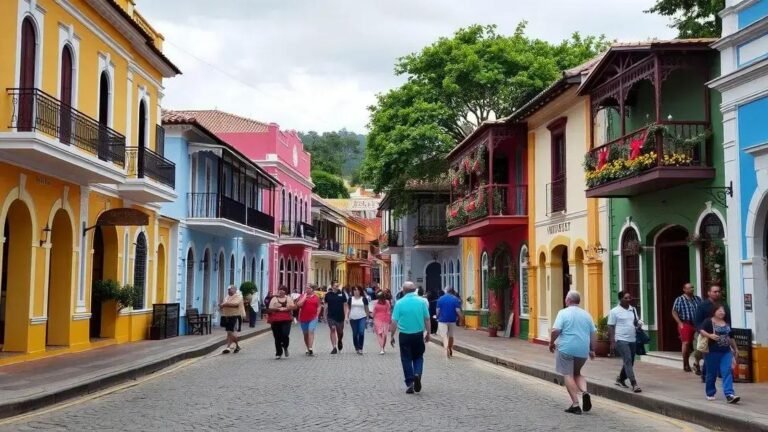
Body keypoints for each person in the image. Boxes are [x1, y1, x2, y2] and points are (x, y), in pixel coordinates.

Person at [549, 291, 597, 415]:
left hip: (566, 348)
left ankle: (576, 404)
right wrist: (592, 349)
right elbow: (593, 334)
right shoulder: (587, 315)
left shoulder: (563, 313)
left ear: (568, 300)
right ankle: (585, 392)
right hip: (582, 350)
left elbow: (556, 330)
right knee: (577, 373)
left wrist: (551, 342)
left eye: (566, 298)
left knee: (568, 374)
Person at [390, 281, 431, 394]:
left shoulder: (399, 303)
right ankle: (417, 373)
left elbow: (394, 321)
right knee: (418, 356)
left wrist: (392, 335)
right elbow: (427, 319)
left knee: (406, 358)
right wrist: (428, 333)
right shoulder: (422, 302)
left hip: (404, 335)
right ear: (415, 290)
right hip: (418, 334)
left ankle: (410, 383)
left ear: (403, 290)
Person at [700, 304, 741, 403]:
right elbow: (701, 330)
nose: (722, 312)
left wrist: (735, 348)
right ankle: (710, 392)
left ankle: (729, 394)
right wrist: (710, 335)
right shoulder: (708, 321)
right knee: (711, 373)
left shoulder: (726, 323)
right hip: (711, 352)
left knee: (727, 371)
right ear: (714, 311)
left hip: (726, 352)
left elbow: (731, 337)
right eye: (719, 310)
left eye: (723, 310)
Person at [694, 285, 731, 383]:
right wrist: (704, 334)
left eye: (718, 291)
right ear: (709, 293)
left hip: (722, 334)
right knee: (709, 356)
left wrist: (729, 332)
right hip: (707, 335)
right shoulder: (703, 306)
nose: (717, 293)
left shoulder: (723, 305)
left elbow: (728, 319)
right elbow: (698, 323)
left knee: (723, 354)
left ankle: (721, 374)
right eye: (715, 291)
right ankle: (706, 375)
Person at [608, 290, 642, 393]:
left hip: (632, 339)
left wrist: (639, 323)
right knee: (627, 360)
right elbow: (611, 326)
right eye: (625, 298)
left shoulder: (633, 310)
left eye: (629, 298)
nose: (628, 300)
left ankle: (620, 379)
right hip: (621, 339)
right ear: (620, 299)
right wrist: (612, 341)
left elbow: (635, 322)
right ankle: (634, 384)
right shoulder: (614, 311)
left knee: (630, 362)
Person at [671, 282, 702, 372]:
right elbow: (674, 312)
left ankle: (696, 363)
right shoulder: (680, 299)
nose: (691, 289)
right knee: (686, 343)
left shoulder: (697, 299)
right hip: (685, 323)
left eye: (692, 287)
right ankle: (686, 363)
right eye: (689, 288)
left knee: (699, 344)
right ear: (684, 289)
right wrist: (680, 323)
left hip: (696, 324)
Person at [268, 286, 295, 359]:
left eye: (283, 290)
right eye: (280, 289)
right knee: (277, 336)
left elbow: (293, 307)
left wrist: (287, 308)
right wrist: (276, 308)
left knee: (285, 334)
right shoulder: (274, 298)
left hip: (286, 319)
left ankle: (285, 346)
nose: (281, 291)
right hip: (276, 319)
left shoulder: (288, 298)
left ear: (285, 291)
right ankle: (278, 353)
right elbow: (270, 308)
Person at [436, 288, 463, 358]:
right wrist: (461, 319)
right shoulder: (455, 299)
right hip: (452, 320)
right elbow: (458, 310)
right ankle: (450, 348)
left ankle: (446, 348)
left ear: (446, 292)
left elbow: (438, 310)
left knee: (444, 336)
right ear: (452, 292)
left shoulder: (440, 299)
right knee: (451, 335)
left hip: (442, 320)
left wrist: (437, 317)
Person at [219, 285, 246, 354]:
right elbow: (224, 303)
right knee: (229, 332)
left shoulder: (238, 296)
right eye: (228, 290)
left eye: (230, 289)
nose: (228, 291)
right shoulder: (227, 297)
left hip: (235, 316)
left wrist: (225, 304)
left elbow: (235, 304)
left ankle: (237, 345)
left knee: (230, 332)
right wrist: (222, 305)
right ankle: (228, 347)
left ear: (234, 290)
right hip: (227, 316)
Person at [296, 284, 321, 356]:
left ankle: (310, 348)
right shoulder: (302, 296)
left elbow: (319, 306)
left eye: (308, 288)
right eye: (306, 288)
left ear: (312, 289)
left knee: (311, 331)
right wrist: (304, 297)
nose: (307, 289)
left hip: (313, 318)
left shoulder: (316, 297)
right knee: (305, 334)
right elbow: (299, 305)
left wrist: (317, 315)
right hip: (303, 318)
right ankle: (307, 348)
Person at [324, 281, 348, 354]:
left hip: (340, 316)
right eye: (335, 285)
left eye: (337, 285)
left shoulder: (342, 294)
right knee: (333, 329)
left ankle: (340, 340)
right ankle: (334, 347)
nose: (336, 287)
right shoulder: (328, 295)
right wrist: (324, 315)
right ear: (332, 286)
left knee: (340, 332)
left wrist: (346, 316)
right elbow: (326, 306)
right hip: (331, 316)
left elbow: (345, 305)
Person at [347, 286, 371, 354]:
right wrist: (346, 317)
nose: (356, 291)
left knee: (361, 332)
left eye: (357, 290)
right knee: (355, 334)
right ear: (353, 291)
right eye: (354, 290)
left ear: (360, 291)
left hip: (362, 317)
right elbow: (348, 308)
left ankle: (360, 348)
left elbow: (366, 308)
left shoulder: (364, 299)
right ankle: (356, 347)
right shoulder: (350, 299)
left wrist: (368, 317)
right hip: (353, 318)